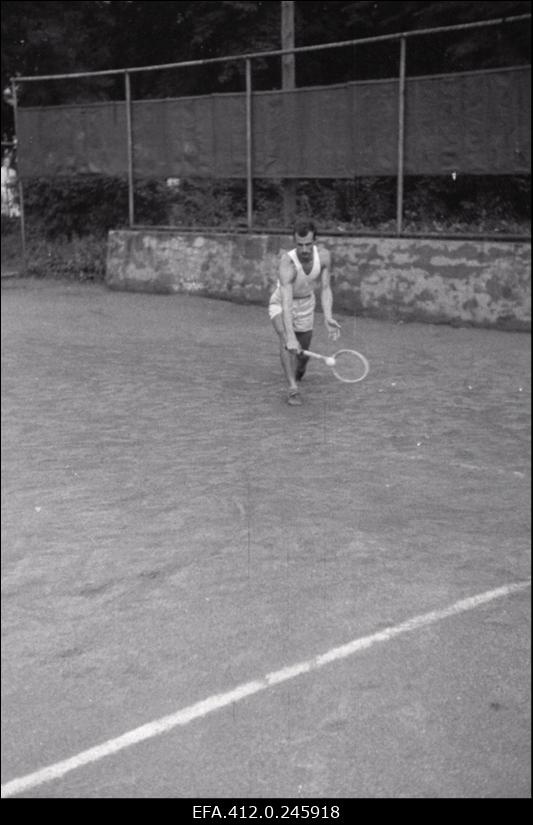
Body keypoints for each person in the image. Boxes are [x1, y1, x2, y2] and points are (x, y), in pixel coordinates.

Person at [268, 219, 341, 406]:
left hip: (307, 304)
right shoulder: (287, 263)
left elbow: (325, 288)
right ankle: (293, 389)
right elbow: (286, 301)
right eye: (300, 245)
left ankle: (299, 368)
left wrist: (328, 316)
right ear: (295, 243)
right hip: (282, 304)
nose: (305, 249)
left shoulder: (324, 257)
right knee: (286, 341)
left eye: (308, 244)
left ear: (314, 241)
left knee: (303, 348)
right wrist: (289, 336)